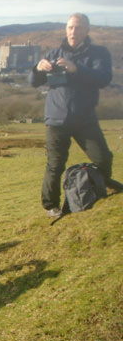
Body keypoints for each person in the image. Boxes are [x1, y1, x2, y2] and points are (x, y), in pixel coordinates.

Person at [28, 13, 122, 218]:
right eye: (70, 27)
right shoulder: (54, 53)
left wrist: (76, 69)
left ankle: (98, 187)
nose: (73, 32)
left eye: (78, 28)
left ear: (87, 30)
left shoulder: (99, 53)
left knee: (103, 158)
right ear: (66, 29)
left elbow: (103, 78)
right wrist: (37, 68)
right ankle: (51, 206)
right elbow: (33, 82)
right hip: (56, 119)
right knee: (55, 164)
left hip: (85, 119)